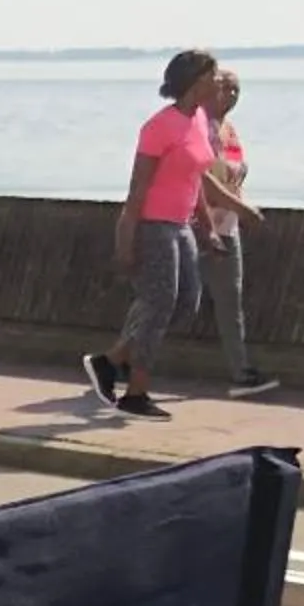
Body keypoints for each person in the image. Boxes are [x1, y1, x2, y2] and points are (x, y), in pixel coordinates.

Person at [85, 48, 225, 421]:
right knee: (160, 305)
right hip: (153, 227)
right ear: (196, 80)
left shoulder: (197, 119)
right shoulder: (158, 127)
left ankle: (112, 360)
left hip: (182, 227)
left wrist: (208, 229)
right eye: (214, 74)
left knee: (185, 305)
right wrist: (125, 241)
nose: (220, 80)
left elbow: (193, 180)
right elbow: (138, 189)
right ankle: (136, 392)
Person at [198, 70, 276, 398]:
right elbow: (203, 181)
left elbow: (232, 178)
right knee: (170, 299)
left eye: (236, 90)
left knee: (230, 301)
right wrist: (242, 211)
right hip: (195, 227)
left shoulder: (229, 131)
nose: (230, 95)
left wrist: (239, 210)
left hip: (227, 227)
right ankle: (120, 358)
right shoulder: (197, 127)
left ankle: (241, 371)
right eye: (224, 88)